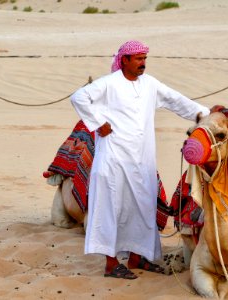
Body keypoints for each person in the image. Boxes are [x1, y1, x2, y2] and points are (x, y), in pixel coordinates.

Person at [70, 40, 210, 279]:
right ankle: (111, 264)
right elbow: (79, 97)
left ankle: (136, 258)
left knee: (143, 209)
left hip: (142, 161)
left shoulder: (149, 84)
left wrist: (203, 114)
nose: (143, 63)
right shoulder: (108, 83)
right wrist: (98, 124)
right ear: (124, 60)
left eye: (145, 58)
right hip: (114, 160)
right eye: (138, 59)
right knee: (111, 209)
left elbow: (175, 100)